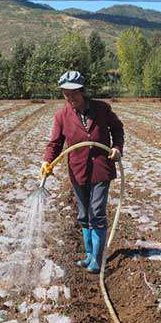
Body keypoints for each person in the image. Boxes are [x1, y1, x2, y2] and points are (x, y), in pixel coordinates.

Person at [41, 70, 124, 274]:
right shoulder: (62, 116)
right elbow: (55, 143)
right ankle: (88, 254)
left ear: (82, 91)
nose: (70, 98)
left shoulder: (102, 109)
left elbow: (117, 128)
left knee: (97, 212)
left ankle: (97, 258)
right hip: (78, 170)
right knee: (84, 213)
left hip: (101, 168)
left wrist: (117, 147)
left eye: (73, 93)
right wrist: (46, 161)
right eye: (65, 94)